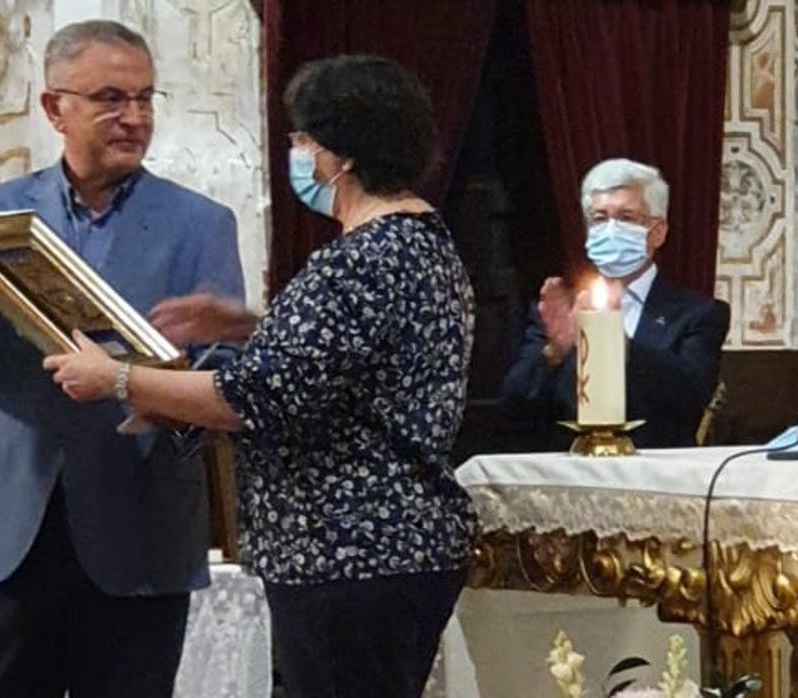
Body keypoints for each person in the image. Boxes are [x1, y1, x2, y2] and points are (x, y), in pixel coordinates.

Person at [44, 54, 478, 698]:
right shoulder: (420, 244)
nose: (298, 153)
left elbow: (252, 398)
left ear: (343, 155)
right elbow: (351, 362)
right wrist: (248, 327)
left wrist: (116, 378)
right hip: (386, 549)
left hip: (347, 549)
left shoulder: (360, 260)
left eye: (304, 139)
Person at [0, 20, 244, 698]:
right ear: (55, 108)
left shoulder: (200, 223)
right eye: (111, 98)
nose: (135, 117)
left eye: (146, 99)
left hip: (137, 523)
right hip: (3, 529)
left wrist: (160, 380)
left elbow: (223, 375)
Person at [502, 158, 730, 448]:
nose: (611, 229)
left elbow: (691, 396)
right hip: (569, 472)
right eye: (599, 218)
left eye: (626, 217)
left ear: (657, 231)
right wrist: (553, 353)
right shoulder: (562, 311)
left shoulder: (697, 314)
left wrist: (614, 341)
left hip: (654, 473)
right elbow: (514, 404)